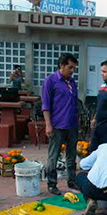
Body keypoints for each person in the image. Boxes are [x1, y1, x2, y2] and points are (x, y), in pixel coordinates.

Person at [43, 53, 80, 195]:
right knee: (54, 156)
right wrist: (48, 124)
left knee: (71, 155)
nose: (72, 70)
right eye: (70, 67)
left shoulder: (72, 82)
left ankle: (72, 181)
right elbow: (46, 105)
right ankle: (52, 184)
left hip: (72, 125)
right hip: (57, 125)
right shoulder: (50, 81)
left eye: (74, 68)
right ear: (61, 66)